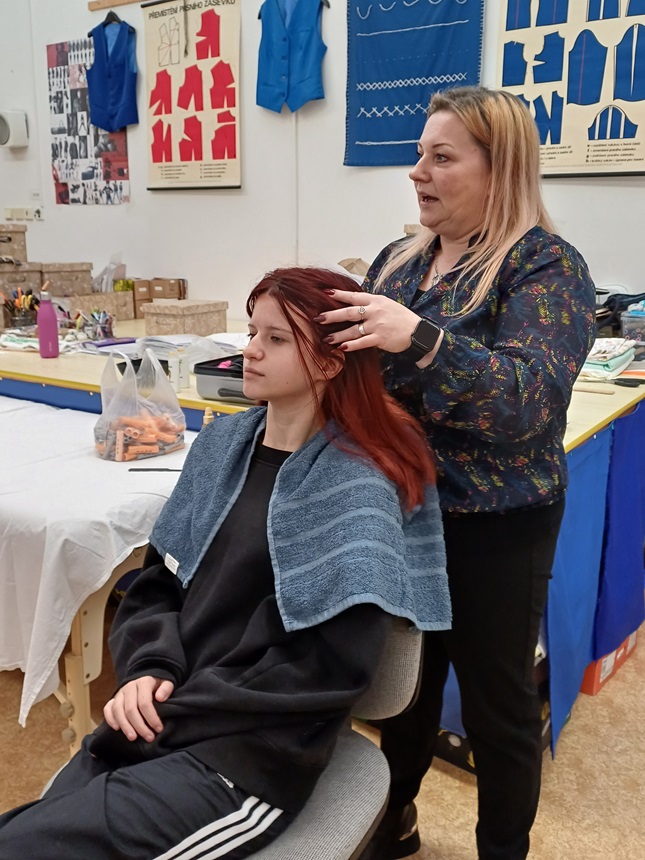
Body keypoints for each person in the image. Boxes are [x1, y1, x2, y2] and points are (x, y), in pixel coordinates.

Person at [0, 267, 451, 860]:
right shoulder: (221, 446)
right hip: (166, 714)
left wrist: (175, 711)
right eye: (252, 331)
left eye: (276, 339)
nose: (251, 350)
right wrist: (146, 669)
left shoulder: (355, 487)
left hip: (246, 756)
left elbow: (327, 669)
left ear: (331, 360)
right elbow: (157, 582)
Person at [316, 86, 596, 860]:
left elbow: (525, 403)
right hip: (402, 514)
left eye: (441, 157)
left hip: (496, 526)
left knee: (496, 709)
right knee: (399, 691)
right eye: (418, 155)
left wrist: (419, 339)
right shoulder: (399, 261)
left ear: (498, 168)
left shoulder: (545, 265)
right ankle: (391, 823)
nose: (417, 172)